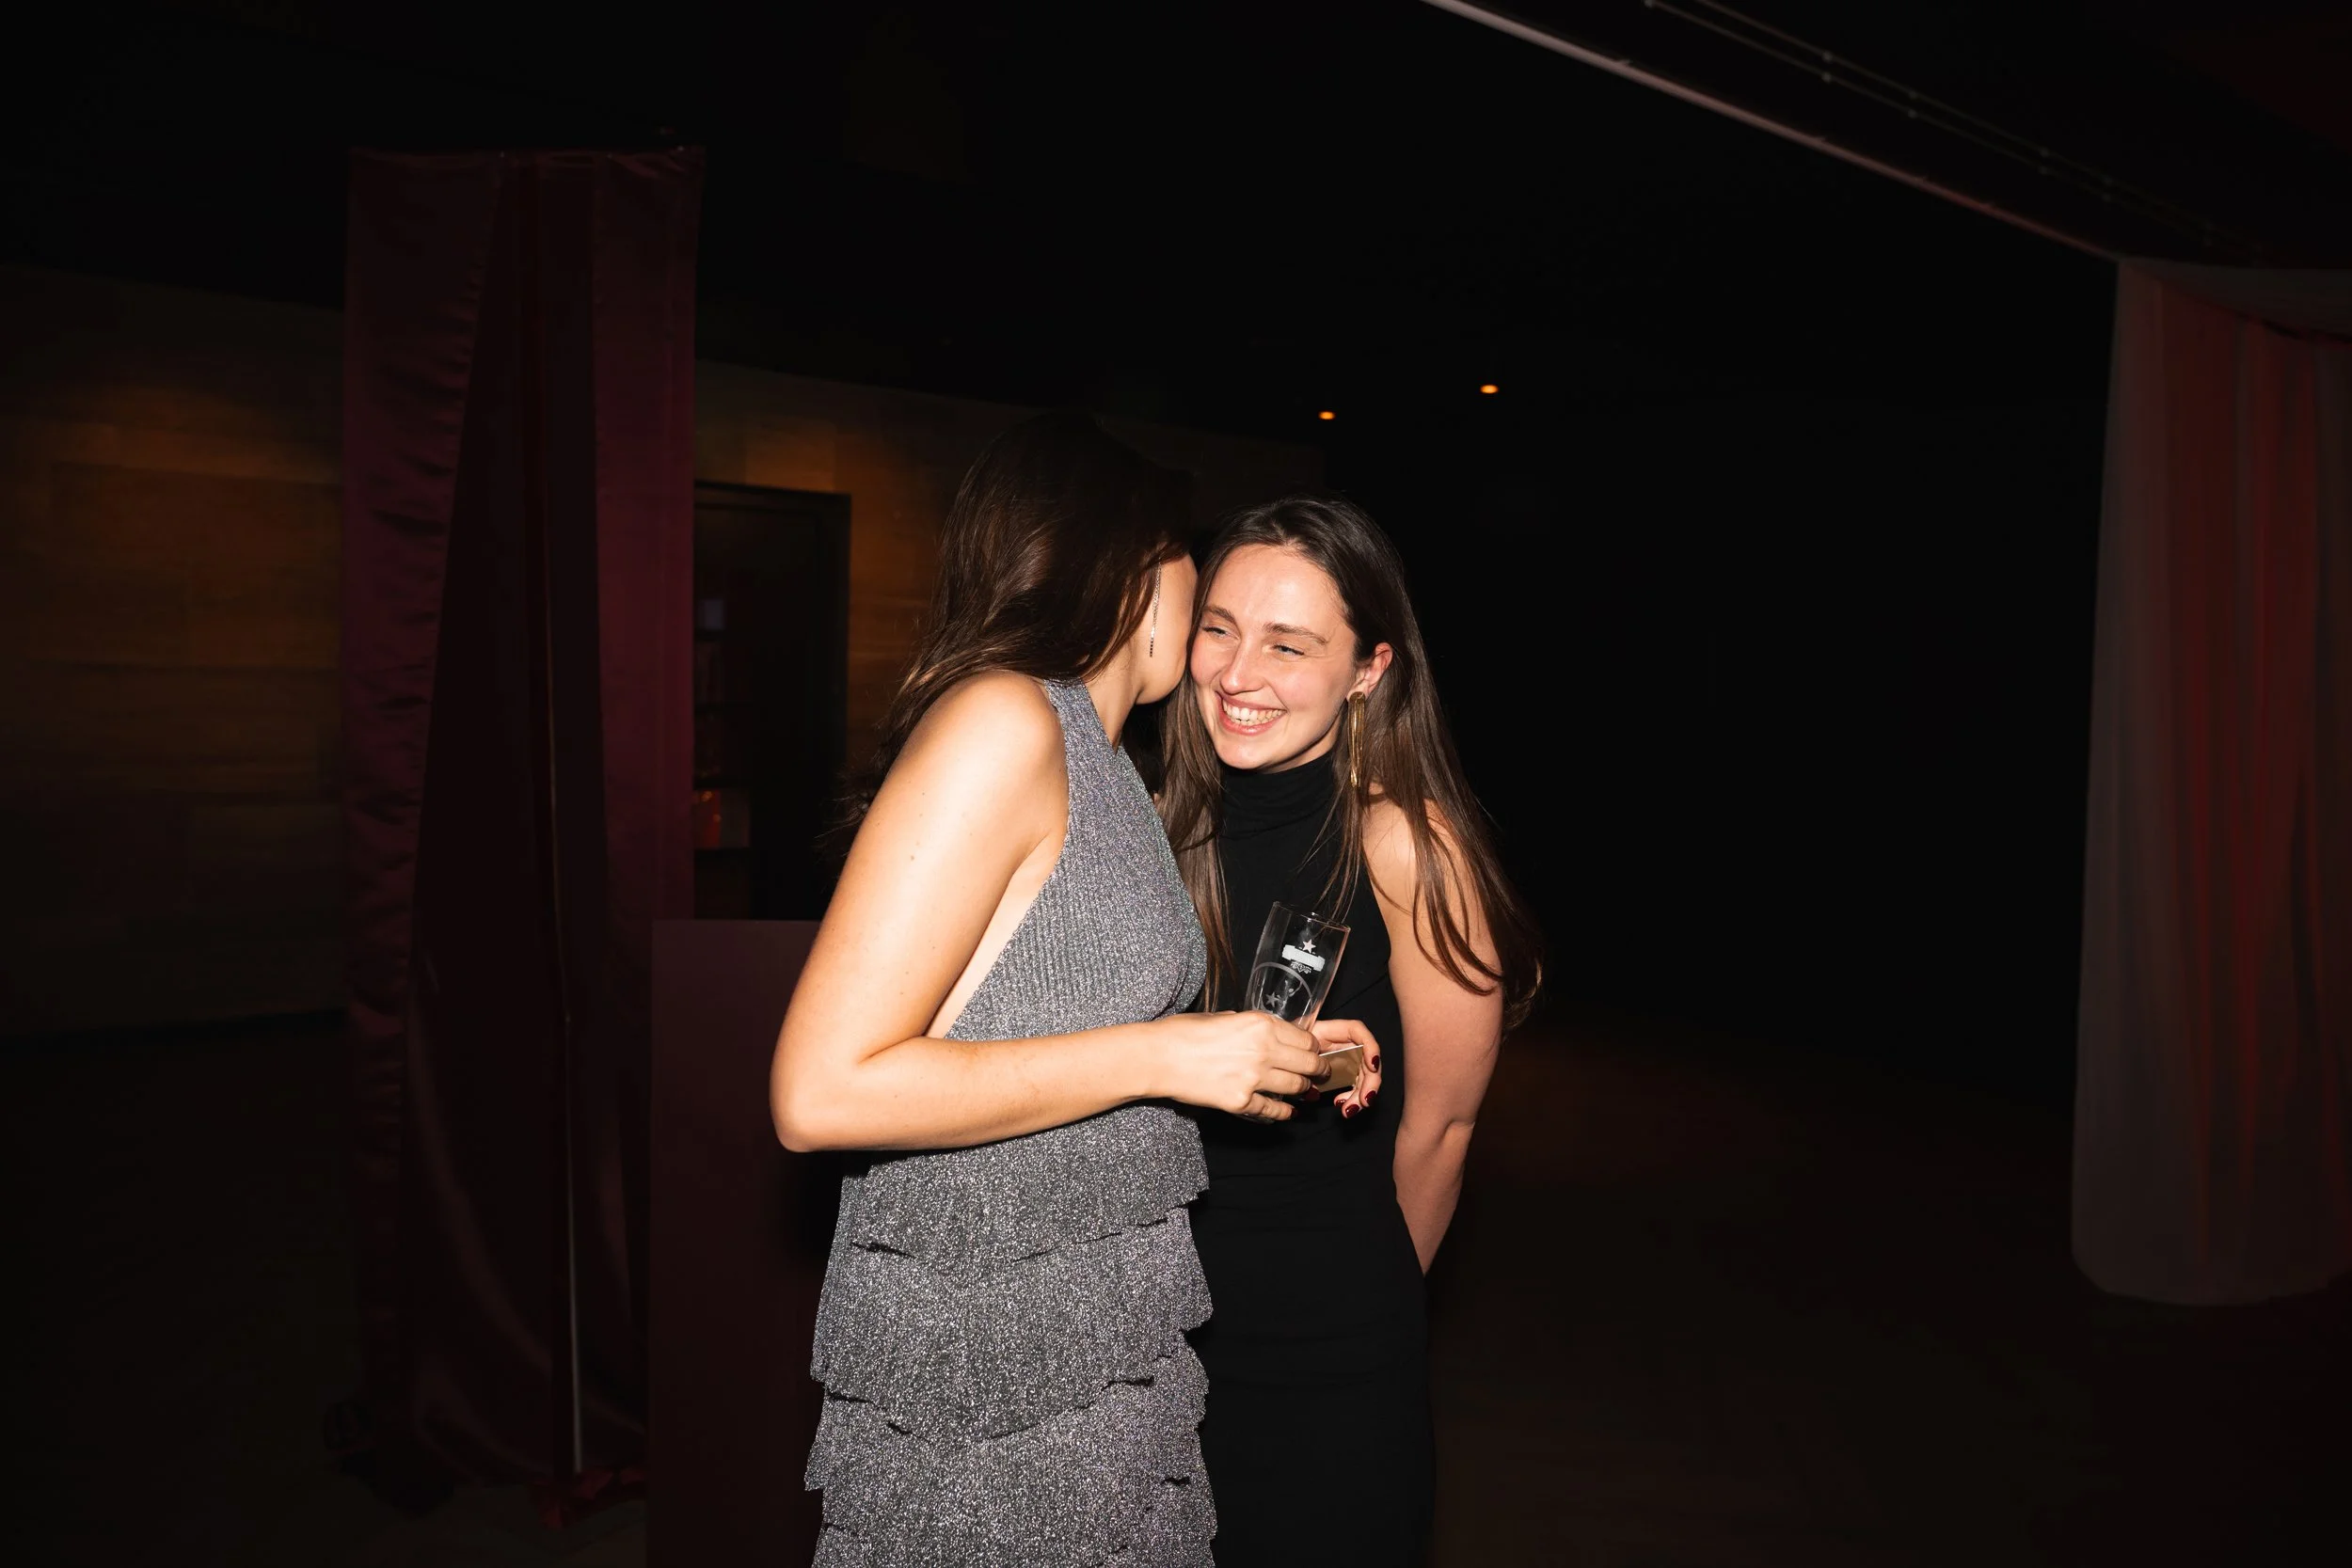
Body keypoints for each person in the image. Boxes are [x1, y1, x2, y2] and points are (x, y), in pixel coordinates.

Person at [769, 413, 1375, 1567]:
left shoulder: (1106, 767)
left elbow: (1059, 1021)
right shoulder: (1004, 718)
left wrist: (1259, 1051)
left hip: (1095, 1321)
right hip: (990, 1349)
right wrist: (1167, 1058)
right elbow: (820, 1088)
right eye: (1189, 561)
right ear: (1139, 567)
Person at [1158, 494, 1543, 1567]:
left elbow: (1444, 1127)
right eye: (1220, 626)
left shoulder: (1405, 848)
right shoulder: (1151, 823)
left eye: (1290, 643)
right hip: (1143, 1328)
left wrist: (1368, 1310)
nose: (1239, 673)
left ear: (1368, 668)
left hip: (1325, 1347)